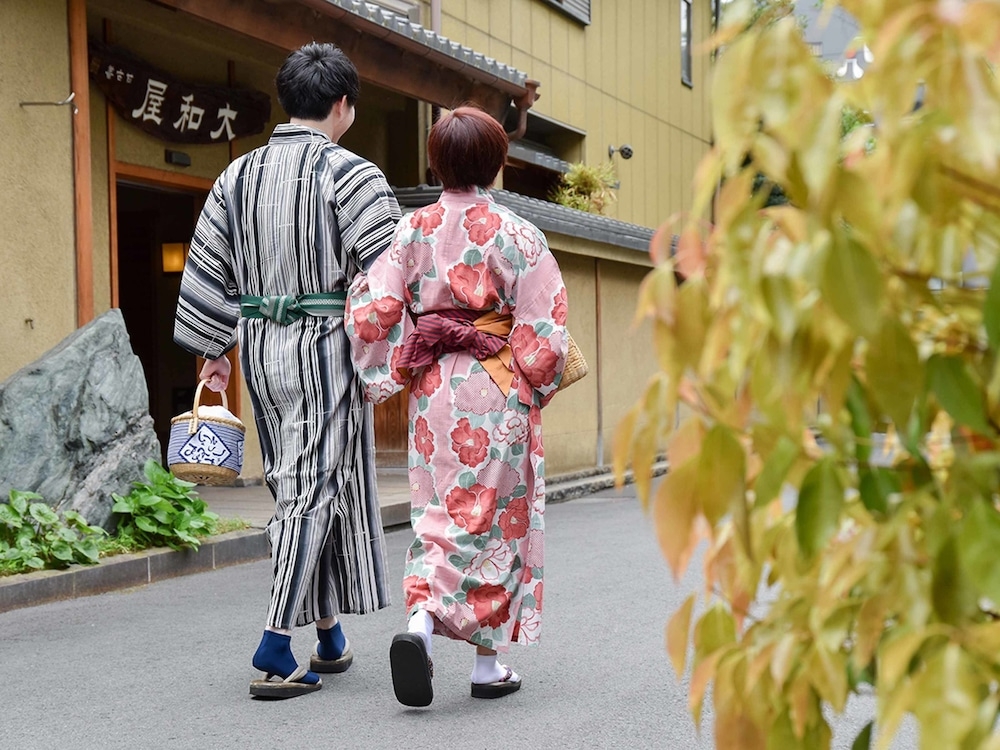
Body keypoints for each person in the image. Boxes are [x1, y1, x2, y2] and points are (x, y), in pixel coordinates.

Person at [173, 42, 400, 700]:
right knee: (312, 489)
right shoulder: (352, 174)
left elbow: (208, 265)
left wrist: (214, 349)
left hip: (262, 348)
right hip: (326, 343)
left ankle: (327, 633)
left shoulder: (236, 177)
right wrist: (397, 351)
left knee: (301, 481)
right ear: (343, 106)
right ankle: (275, 646)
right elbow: (391, 273)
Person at [346, 106, 568, 706]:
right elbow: (545, 330)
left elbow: (376, 309)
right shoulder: (520, 235)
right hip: (498, 384)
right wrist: (534, 375)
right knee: (495, 519)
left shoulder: (409, 231)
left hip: (435, 389)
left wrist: (390, 360)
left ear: (434, 162)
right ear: (497, 164)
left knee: (440, 511)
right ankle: (486, 664)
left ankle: (420, 622)